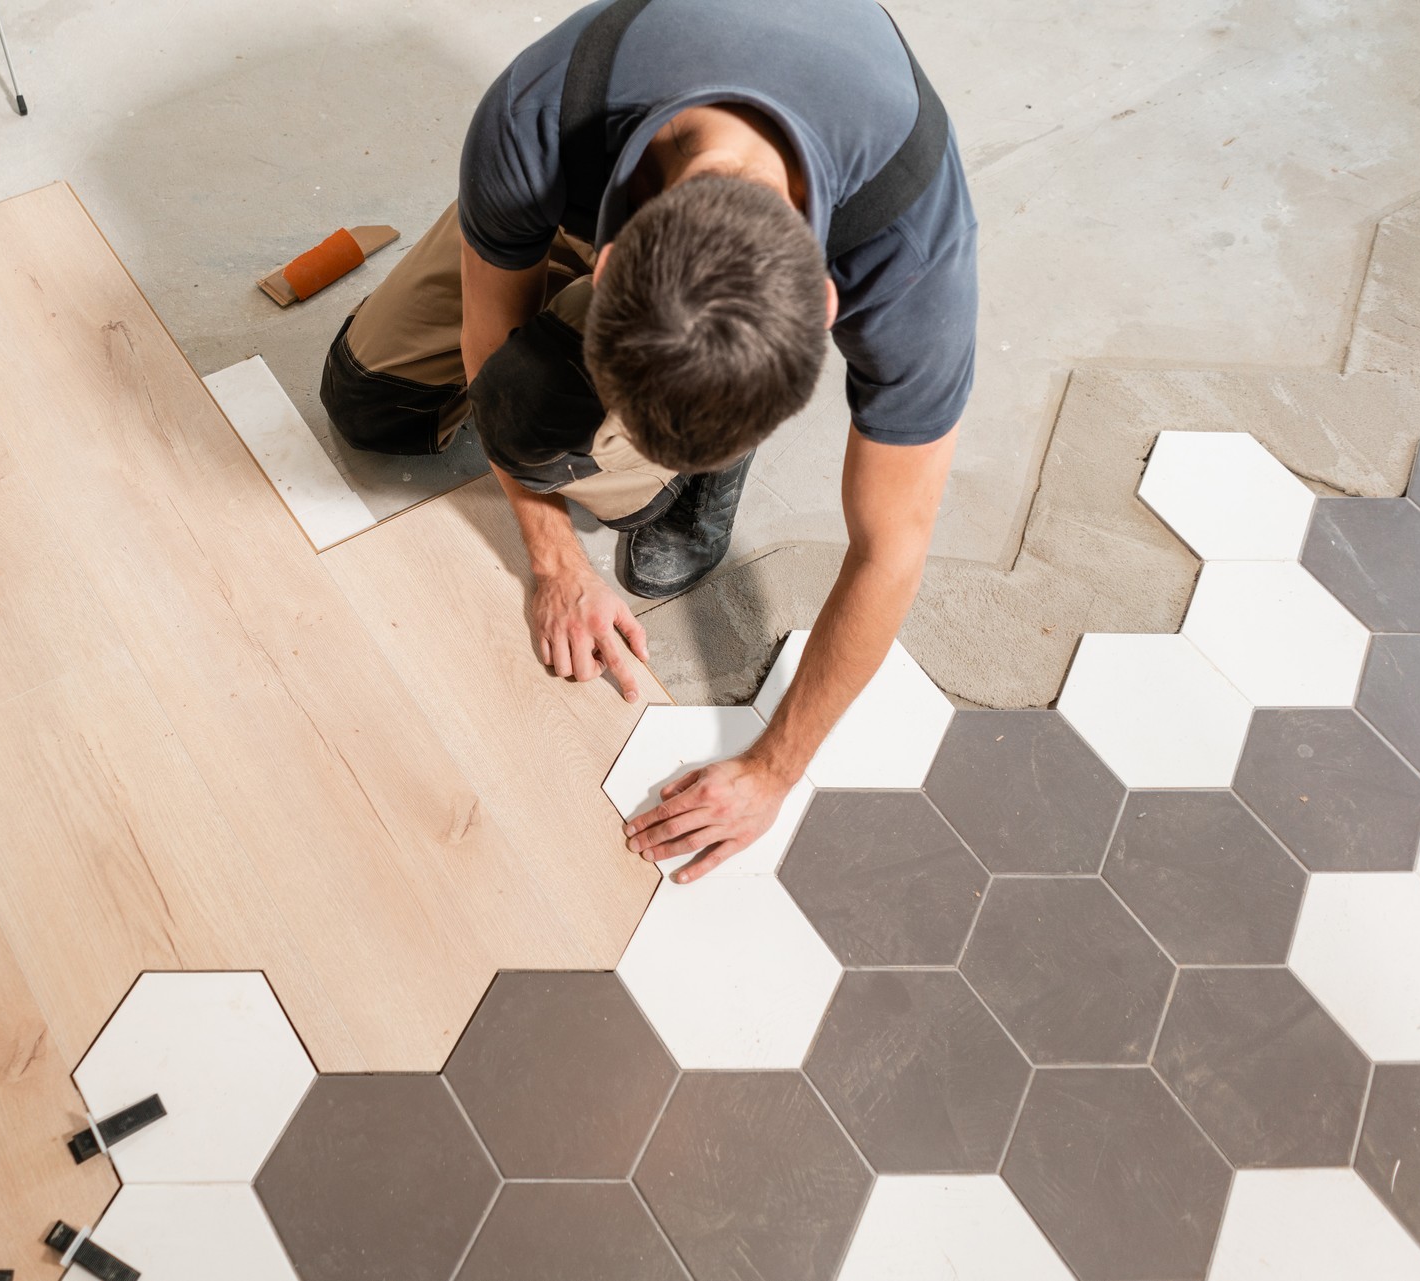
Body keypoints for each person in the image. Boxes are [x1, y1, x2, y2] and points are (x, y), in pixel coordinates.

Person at [320, 0, 977, 881]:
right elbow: (491, 346)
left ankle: (716, 422)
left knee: (558, 421)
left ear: (827, 304)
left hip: (770, 175)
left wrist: (772, 769)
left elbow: (891, 548)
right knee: (372, 404)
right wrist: (555, 560)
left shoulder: (911, 255)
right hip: (587, 173)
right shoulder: (537, 117)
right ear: (607, 257)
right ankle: (661, 380)